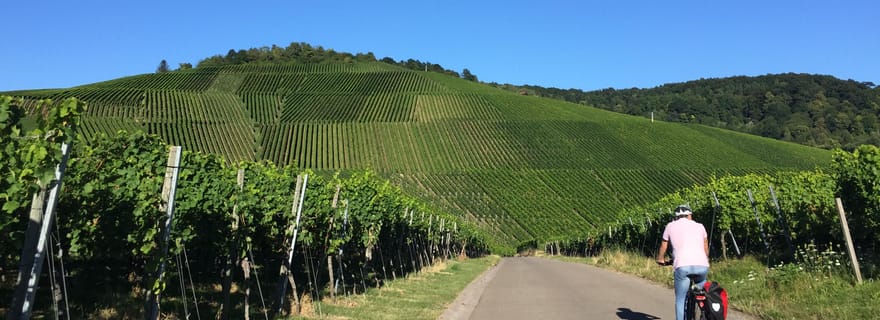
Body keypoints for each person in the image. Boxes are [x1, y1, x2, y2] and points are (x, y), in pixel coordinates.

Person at [656, 205, 710, 320]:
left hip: (682, 266)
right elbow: (705, 245)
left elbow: (664, 245)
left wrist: (660, 259)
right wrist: (704, 259)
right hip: (702, 265)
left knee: (681, 299)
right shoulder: (700, 226)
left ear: (676, 217)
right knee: (702, 293)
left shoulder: (670, 226)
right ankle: (705, 312)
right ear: (690, 215)